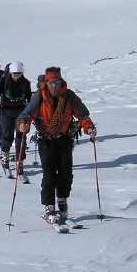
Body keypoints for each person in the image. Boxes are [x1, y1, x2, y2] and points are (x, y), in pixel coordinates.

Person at [17, 69, 96, 224]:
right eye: (51, 83)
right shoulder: (39, 96)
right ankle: (49, 206)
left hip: (64, 139)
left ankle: (62, 199)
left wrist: (89, 127)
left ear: (61, 83)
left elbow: (83, 115)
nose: (54, 86)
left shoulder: (69, 96)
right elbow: (25, 115)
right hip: (45, 140)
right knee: (49, 174)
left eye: (57, 83)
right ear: (46, 83)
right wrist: (22, 125)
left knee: (66, 173)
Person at [0, 61, 32, 177]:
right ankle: (5, 155)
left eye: (19, 73)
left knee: (21, 135)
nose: (16, 76)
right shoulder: (4, 81)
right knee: (7, 134)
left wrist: (30, 109)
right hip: (5, 111)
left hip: (20, 112)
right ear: (10, 73)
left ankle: (20, 161)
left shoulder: (25, 83)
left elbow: (29, 97)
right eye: (15, 74)